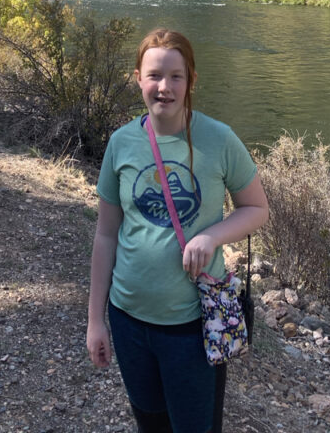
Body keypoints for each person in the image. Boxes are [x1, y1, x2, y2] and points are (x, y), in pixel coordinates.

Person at [87, 28, 269, 433]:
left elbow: (257, 208)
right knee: (150, 423)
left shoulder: (219, 140)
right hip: (128, 319)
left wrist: (212, 235)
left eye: (176, 76)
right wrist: (95, 320)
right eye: (154, 75)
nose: (164, 87)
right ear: (137, 78)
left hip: (193, 326)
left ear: (191, 82)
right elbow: (105, 235)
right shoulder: (121, 143)